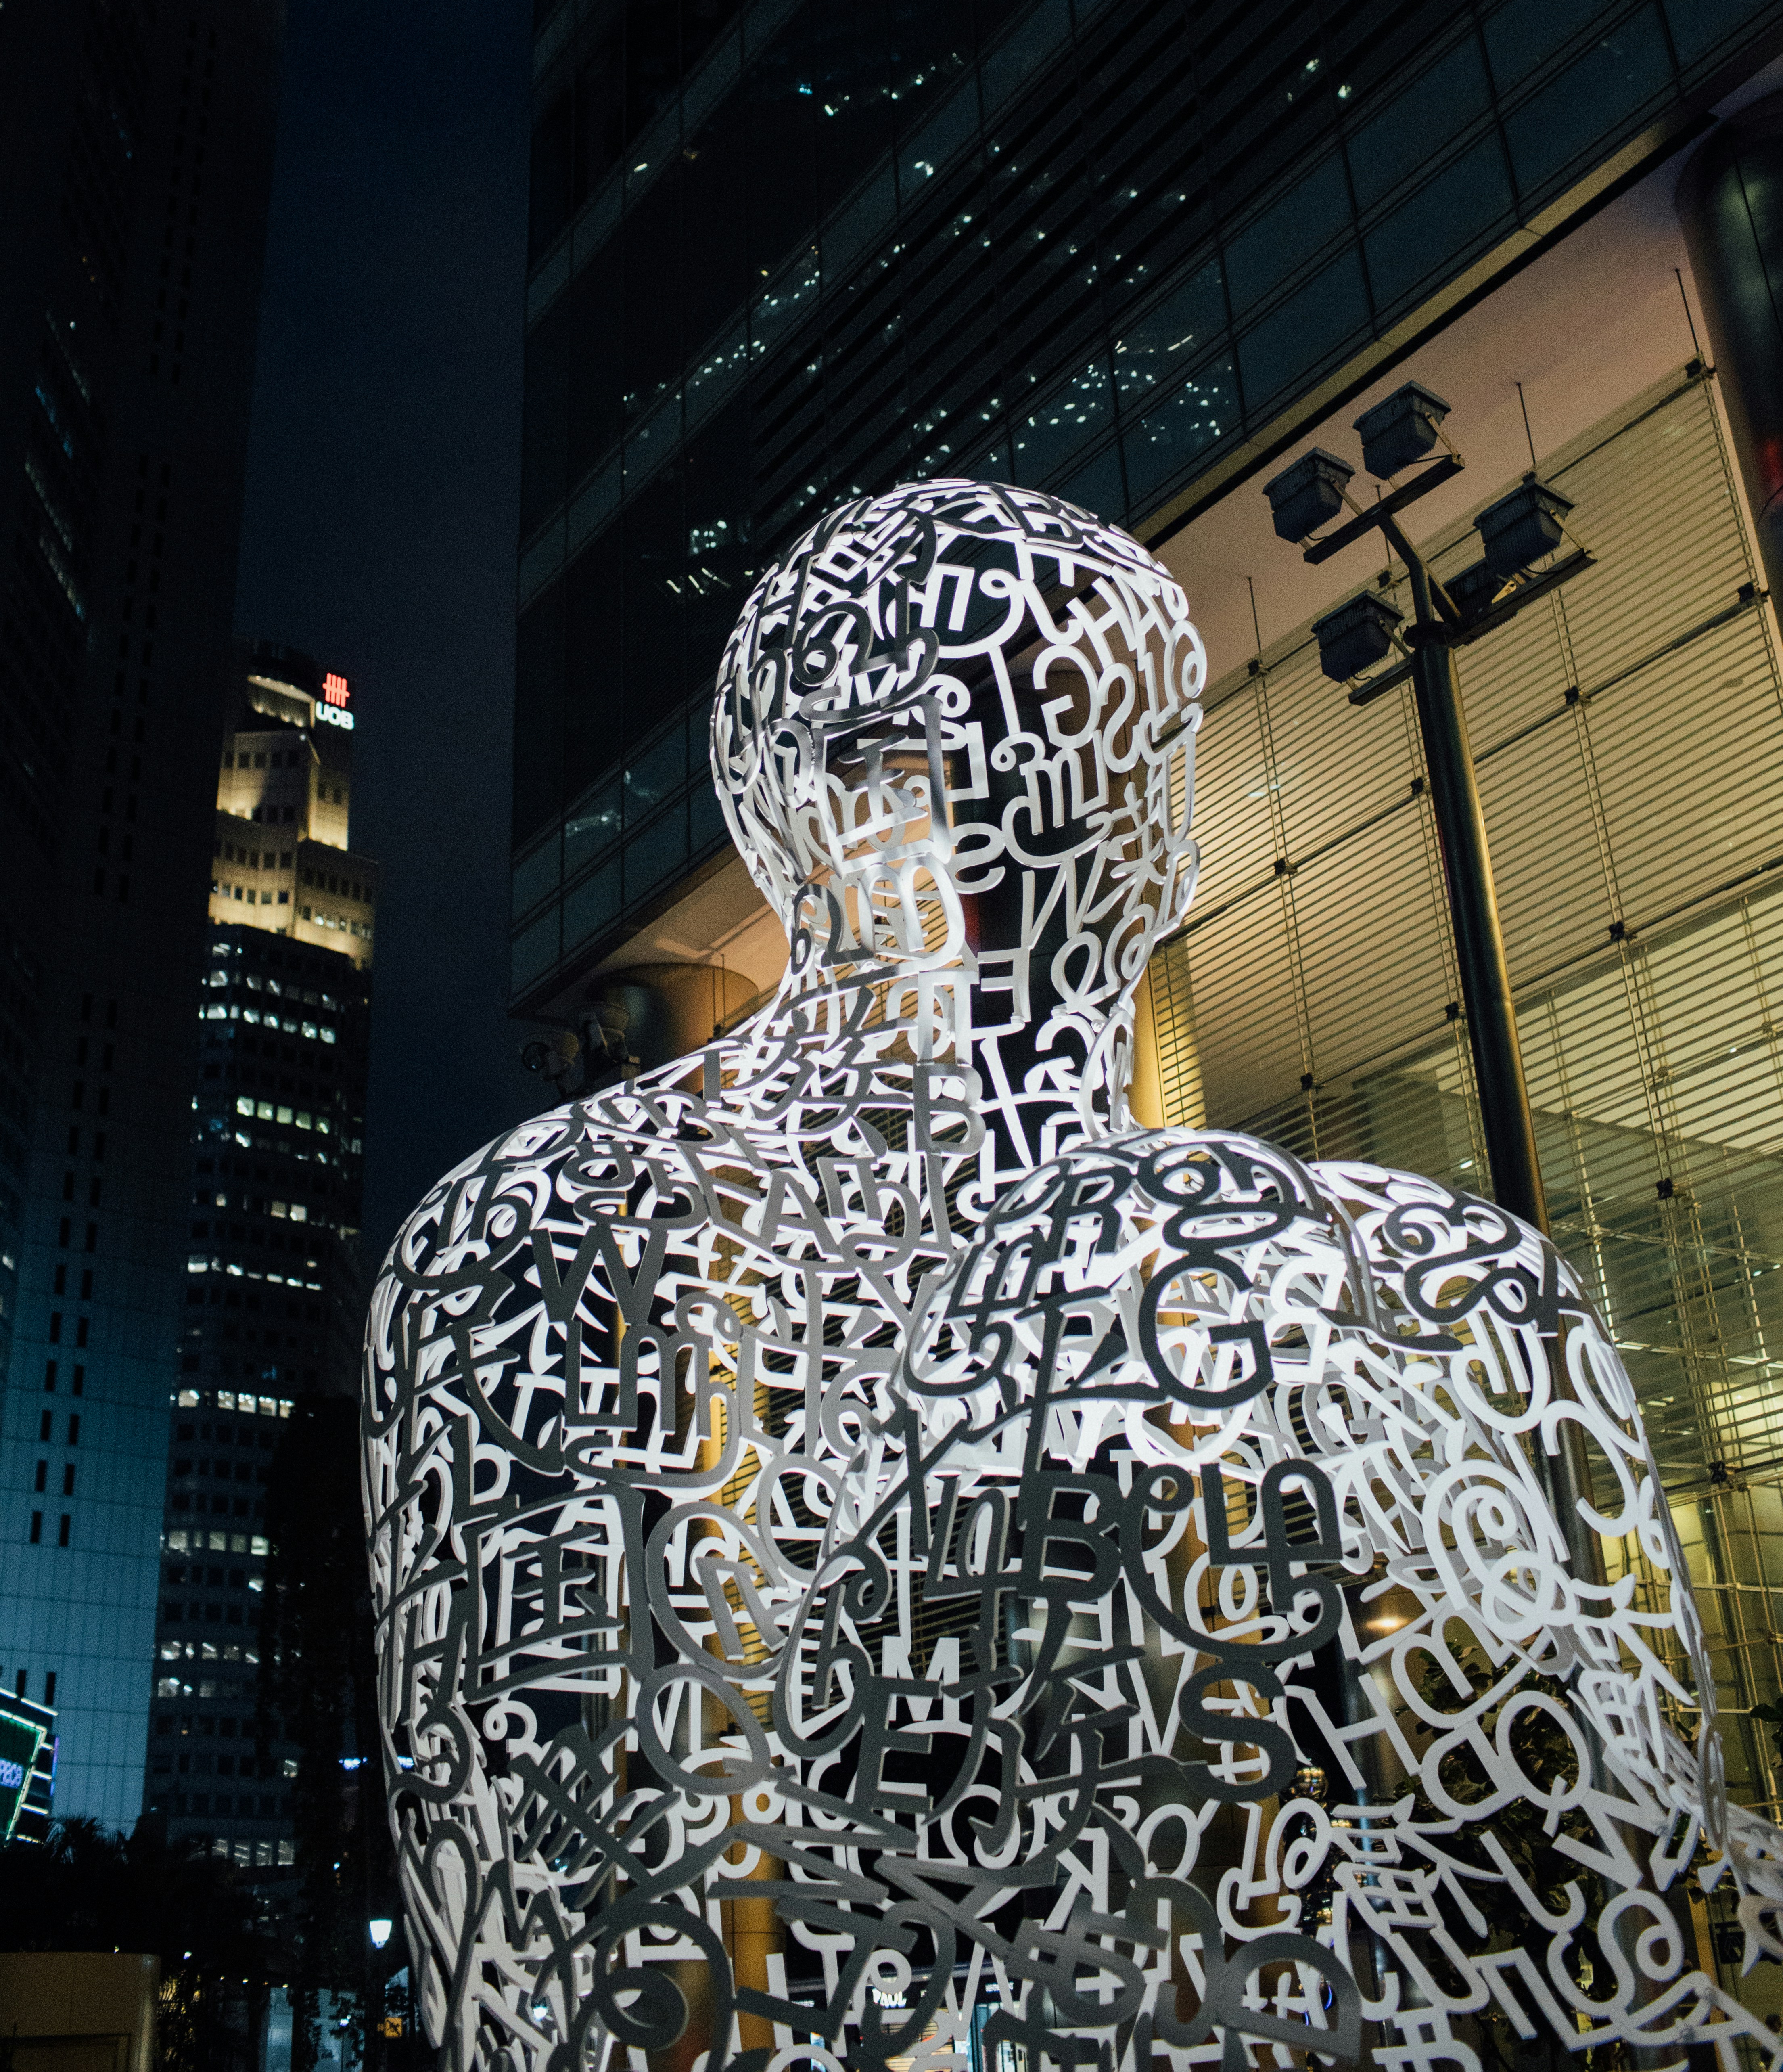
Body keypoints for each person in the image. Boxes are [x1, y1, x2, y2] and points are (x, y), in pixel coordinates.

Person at [362, 479, 1780, 2072]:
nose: (1047, 845)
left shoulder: (1393, 1274)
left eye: (1119, 771)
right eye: (921, 773)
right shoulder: (563, 1231)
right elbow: (574, 1986)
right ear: (797, 818)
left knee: (1457, 1274)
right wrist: (989, 1493)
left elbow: (1633, 1898)